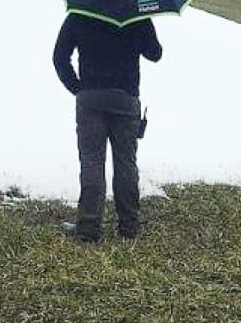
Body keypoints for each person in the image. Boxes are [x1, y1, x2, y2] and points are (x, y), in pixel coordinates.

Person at [52, 13, 162, 242]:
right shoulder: (135, 12)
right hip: (125, 97)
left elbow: (59, 57)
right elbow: (155, 53)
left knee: (92, 161)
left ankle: (88, 228)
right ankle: (129, 227)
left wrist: (78, 88)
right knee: (126, 162)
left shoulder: (80, 11)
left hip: (90, 97)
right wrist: (142, 21)